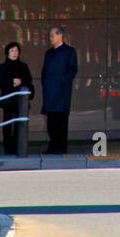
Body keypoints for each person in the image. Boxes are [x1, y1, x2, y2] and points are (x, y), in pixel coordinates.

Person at [41, 27, 78, 155]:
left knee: (61, 121)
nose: (50, 38)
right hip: (50, 91)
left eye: (52, 35)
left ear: (60, 35)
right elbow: (44, 72)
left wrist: (62, 82)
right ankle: (52, 146)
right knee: (51, 121)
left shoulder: (69, 51)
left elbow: (72, 70)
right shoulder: (49, 53)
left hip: (62, 93)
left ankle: (61, 147)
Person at [0, 42, 34, 156]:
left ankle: (18, 147)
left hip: (21, 101)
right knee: (7, 125)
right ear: (7, 53)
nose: (14, 53)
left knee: (19, 125)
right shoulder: (2, 67)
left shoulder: (23, 66)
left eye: (16, 50)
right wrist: (11, 82)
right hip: (8, 101)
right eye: (12, 50)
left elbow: (29, 81)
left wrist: (21, 83)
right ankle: (8, 148)